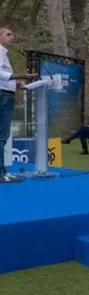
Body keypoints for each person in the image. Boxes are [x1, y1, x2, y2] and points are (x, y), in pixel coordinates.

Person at [0, 28, 36, 182]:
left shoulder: (4, 54)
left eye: (13, 34)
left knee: (2, 136)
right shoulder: (0, 51)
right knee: (2, 136)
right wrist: (19, 75)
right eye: (8, 34)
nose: (12, 36)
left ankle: (3, 172)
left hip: (6, 95)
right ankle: (2, 173)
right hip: (3, 97)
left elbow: (4, 77)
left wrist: (16, 83)